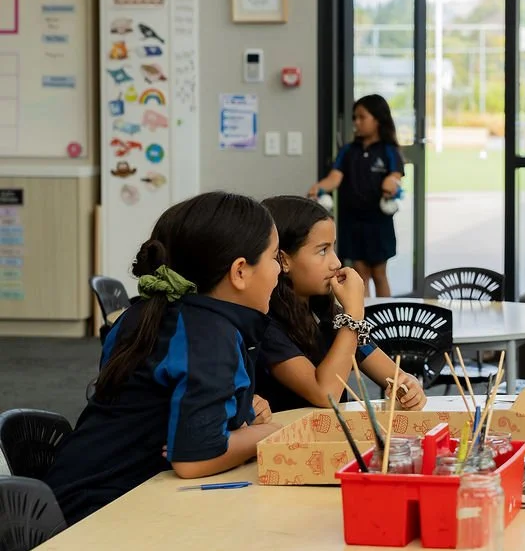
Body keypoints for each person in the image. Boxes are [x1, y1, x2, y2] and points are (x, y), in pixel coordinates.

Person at [46, 192, 283, 525]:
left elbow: (157, 405)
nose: (278, 270)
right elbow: (195, 458)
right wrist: (269, 433)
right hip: (100, 517)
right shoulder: (208, 332)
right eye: (275, 257)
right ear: (240, 271)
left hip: (73, 499)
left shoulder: (147, 314)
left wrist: (236, 409)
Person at [260, 195, 426, 411]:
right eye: (322, 250)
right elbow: (326, 393)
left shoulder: (325, 312)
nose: (336, 262)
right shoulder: (266, 323)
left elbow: (394, 377)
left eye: (333, 248)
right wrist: (354, 314)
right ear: (284, 260)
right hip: (290, 441)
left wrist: (410, 386)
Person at [308, 94, 404, 297]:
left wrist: (391, 182)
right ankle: (364, 321)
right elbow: (334, 178)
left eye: (362, 117)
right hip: (352, 222)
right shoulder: (348, 151)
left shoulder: (389, 151)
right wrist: (319, 187)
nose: (356, 123)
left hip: (378, 223)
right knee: (360, 273)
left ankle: (384, 319)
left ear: (377, 119)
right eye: (354, 118)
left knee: (379, 273)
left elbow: (395, 176)